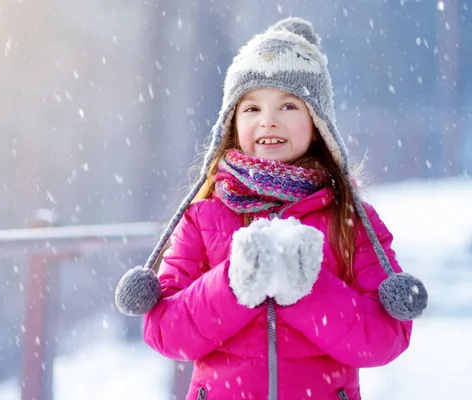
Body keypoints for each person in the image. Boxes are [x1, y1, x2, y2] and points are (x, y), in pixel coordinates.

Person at [115, 17, 428, 400]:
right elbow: (165, 332)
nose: (269, 120)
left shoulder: (348, 219)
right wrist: (234, 284)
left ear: (318, 122)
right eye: (251, 108)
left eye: (289, 104)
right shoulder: (203, 218)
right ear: (231, 123)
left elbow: (385, 337)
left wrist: (306, 288)